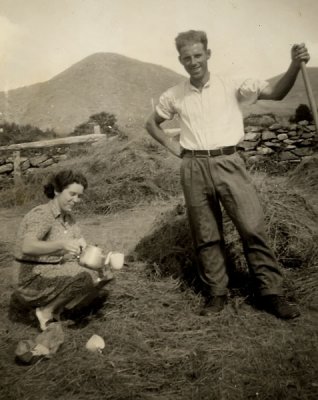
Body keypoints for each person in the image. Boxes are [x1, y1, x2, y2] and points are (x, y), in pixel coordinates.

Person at [145, 30, 310, 319]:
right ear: (180, 61)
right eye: (187, 58)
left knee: (252, 227)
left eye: (198, 55)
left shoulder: (233, 84)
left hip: (228, 162)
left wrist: (294, 65)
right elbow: (151, 123)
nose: (193, 62)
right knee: (206, 235)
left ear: (208, 54)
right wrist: (173, 147)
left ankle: (271, 293)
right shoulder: (174, 94)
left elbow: (276, 93)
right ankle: (216, 294)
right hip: (193, 167)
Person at [12, 169, 111, 331]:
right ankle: (45, 312)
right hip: (29, 278)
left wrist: (101, 264)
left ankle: (59, 310)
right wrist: (62, 245)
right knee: (84, 277)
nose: (76, 200)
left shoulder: (70, 220)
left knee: (96, 275)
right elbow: (27, 246)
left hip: (50, 271)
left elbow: (81, 253)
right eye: (72, 194)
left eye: (79, 196)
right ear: (57, 190)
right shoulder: (42, 214)